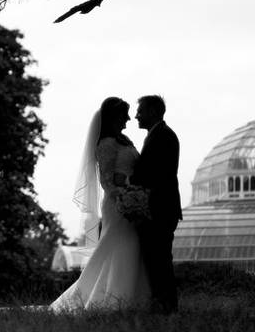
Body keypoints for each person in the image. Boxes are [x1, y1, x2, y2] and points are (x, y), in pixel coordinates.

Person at [50, 97, 151, 311]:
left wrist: (136, 192)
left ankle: (133, 296)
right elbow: (106, 180)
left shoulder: (125, 141)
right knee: (120, 244)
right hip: (117, 204)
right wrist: (125, 196)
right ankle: (113, 298)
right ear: (114, 117)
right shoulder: (106, 144)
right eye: (124, 114)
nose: (128, 118)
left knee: (130, 245)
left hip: (131, 198)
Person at [130, 94, 182, 313]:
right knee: (157, 259)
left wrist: (129, 185)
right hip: (161, 208)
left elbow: (152, 176)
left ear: (152, 112)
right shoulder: (159, 134)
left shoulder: (163, 136)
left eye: (140, 111)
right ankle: (163, 304)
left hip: (159, 209)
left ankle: (166, 306)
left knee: (159, 260)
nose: (135, 116)